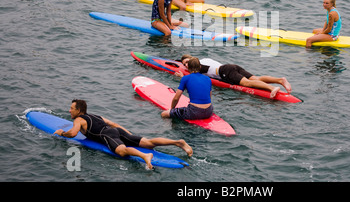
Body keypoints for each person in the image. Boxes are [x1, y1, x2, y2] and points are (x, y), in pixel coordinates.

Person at [54, 99, 193, 170]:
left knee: (122, 151)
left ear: (79, 110)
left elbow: (73, 133)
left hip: (107, 136)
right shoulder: (95, 115)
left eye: (72, 108)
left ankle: (145, 156)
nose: (69, 111)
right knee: (149, 142)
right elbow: (113, 124)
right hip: (116, 131)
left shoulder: (79, 119)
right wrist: (127, 133)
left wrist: (62, 133)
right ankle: (178, 142)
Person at [177, 55, 292, 98]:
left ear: (192, 59)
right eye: (184, 64)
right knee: (255, 78)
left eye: (187, 62)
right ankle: (280, 80)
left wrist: (182, 76)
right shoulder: (204, 59)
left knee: (247, 83)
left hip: (225, 71)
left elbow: (195, 76)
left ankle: (272, 88)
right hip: (231, 66)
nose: (186, 65)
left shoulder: (199, 64)